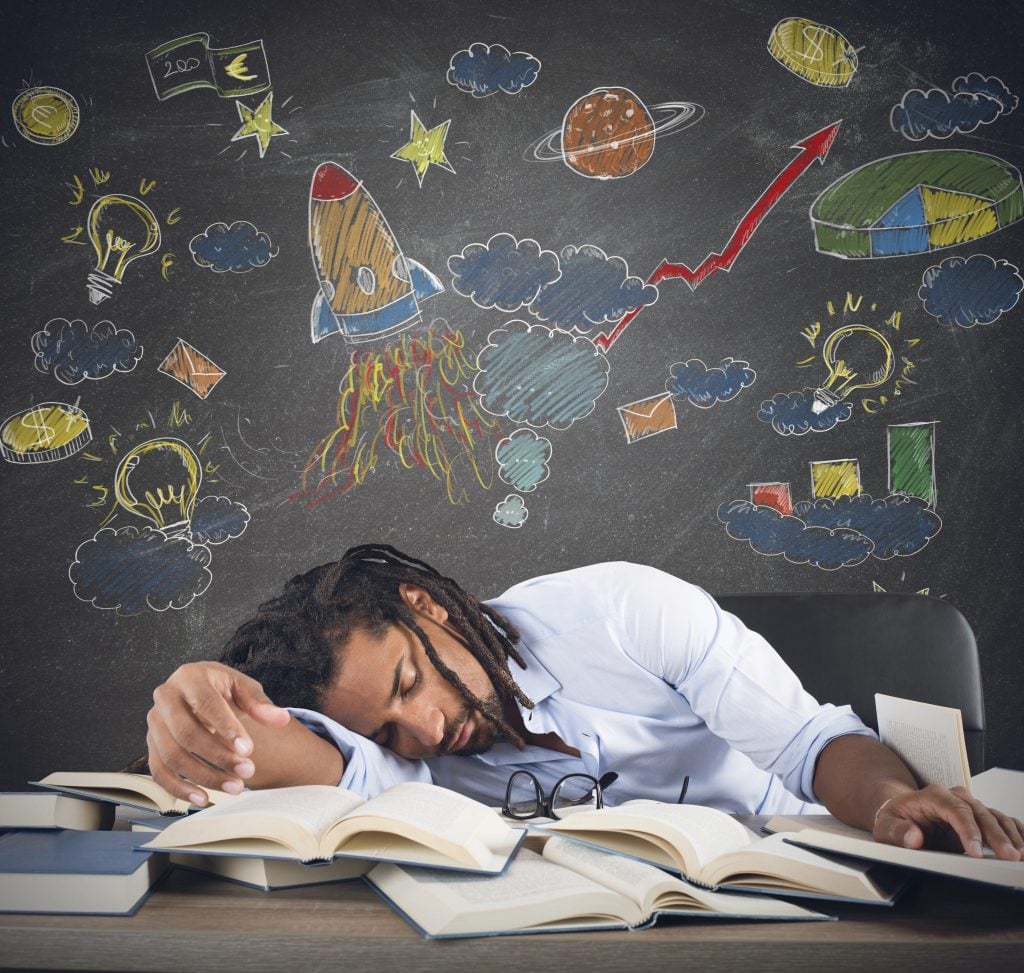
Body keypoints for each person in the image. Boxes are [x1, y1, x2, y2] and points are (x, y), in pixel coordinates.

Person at [143, 544, 1023, 860]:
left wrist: (890, 801)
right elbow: (335, 769)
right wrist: (206, 712)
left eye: (409, 682)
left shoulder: (622, 608)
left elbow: (807, 743)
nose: (425, 730)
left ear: (428, 604)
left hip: (783, 885)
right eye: (387, 728)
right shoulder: (413, 757)